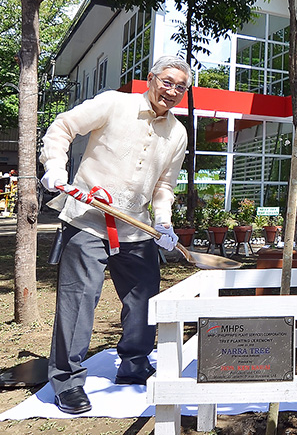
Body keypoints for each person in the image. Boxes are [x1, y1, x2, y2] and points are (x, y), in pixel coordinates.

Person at [39, 55, 191, 414]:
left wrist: (164, 221)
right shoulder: (113, 102)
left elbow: (165, 185)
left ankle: (134, 364)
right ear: (151, 79)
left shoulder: (178, 133)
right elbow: (63, 126)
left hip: (135, 228)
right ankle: (67, 381)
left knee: (144, 299)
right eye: (167, 82)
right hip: (87, 219)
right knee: (79, 301)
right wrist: (55, 168)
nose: (171, 91)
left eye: (180, 87)